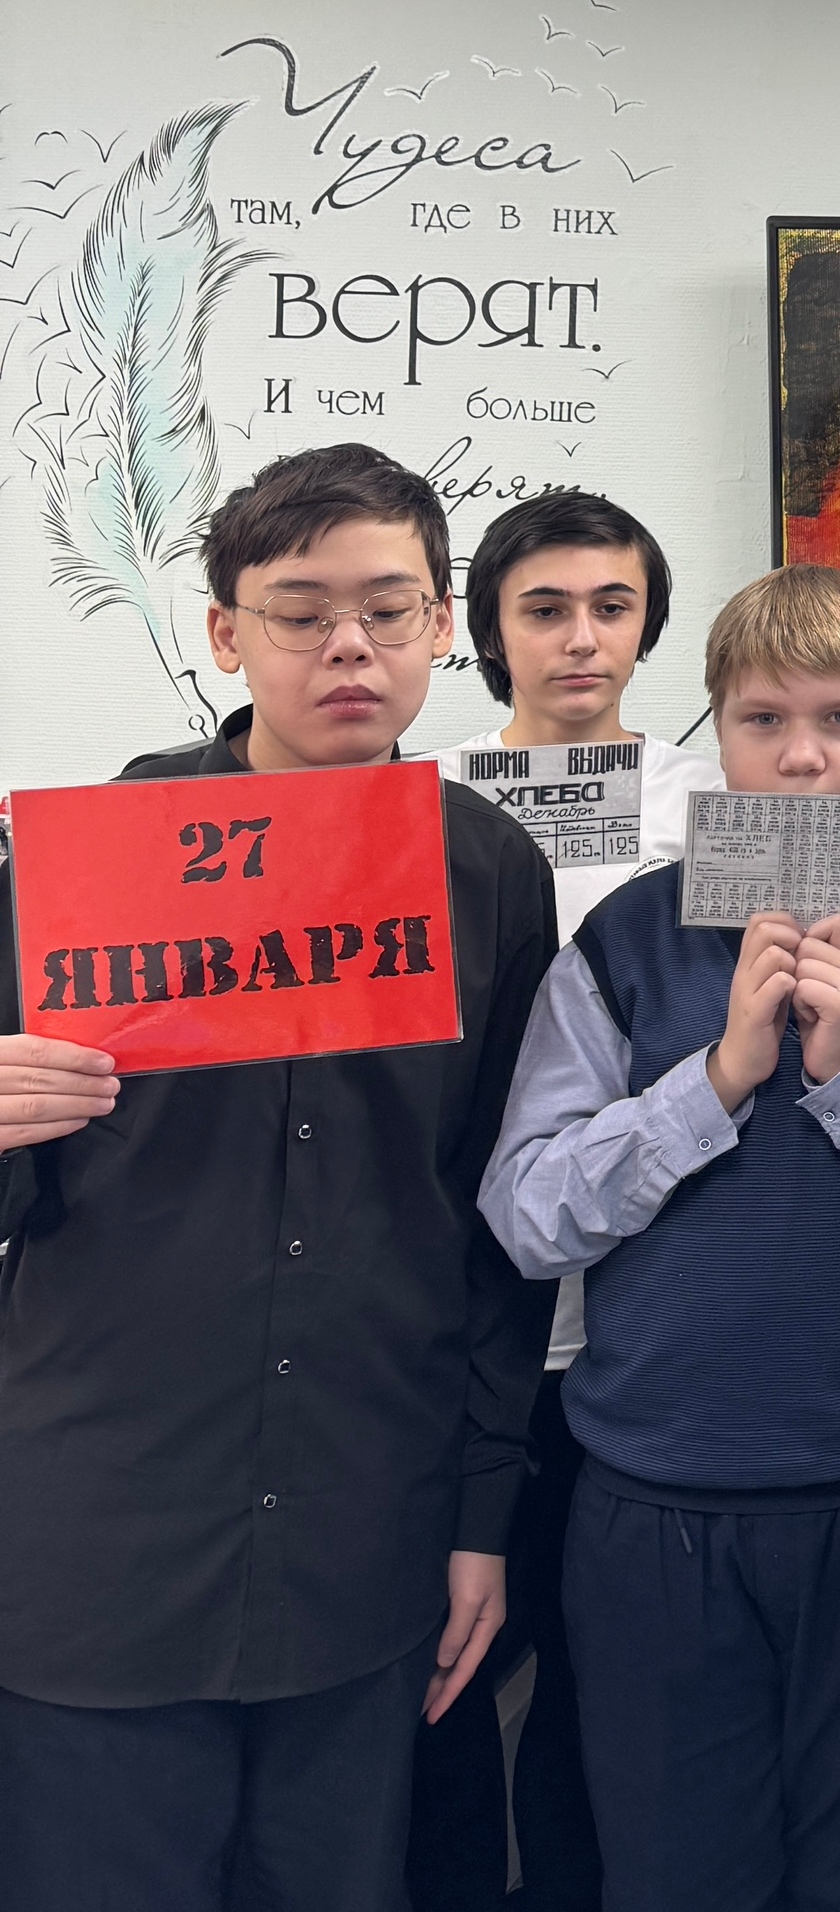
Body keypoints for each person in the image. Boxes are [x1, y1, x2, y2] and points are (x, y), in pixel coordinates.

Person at [0, 442, 558, 1909]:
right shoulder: (86, 863)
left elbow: (496, 1212)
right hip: (107, 1526)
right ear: (226, 633)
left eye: (388, 608)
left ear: (442, 625)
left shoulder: (492, 872)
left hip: (361, 1523)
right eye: (302, 613)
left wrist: (480, 1510)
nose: (349, 646)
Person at [477, 565, 840, 1912]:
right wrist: (716, 1080)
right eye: (763, 720)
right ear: (717, 734)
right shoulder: (629, 936)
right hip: (657, 1500)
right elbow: (525, 1213)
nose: (803, 757)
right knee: (679, 1870)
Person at [419, 491, 727, 1911]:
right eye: (544, 609)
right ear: (486, 629)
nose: (582, 638)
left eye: (612, 606)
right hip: (462, 1321)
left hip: (643, 1325)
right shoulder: (421, 801)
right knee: (445, 1672)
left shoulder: (719, 807)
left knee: (611, 1693)